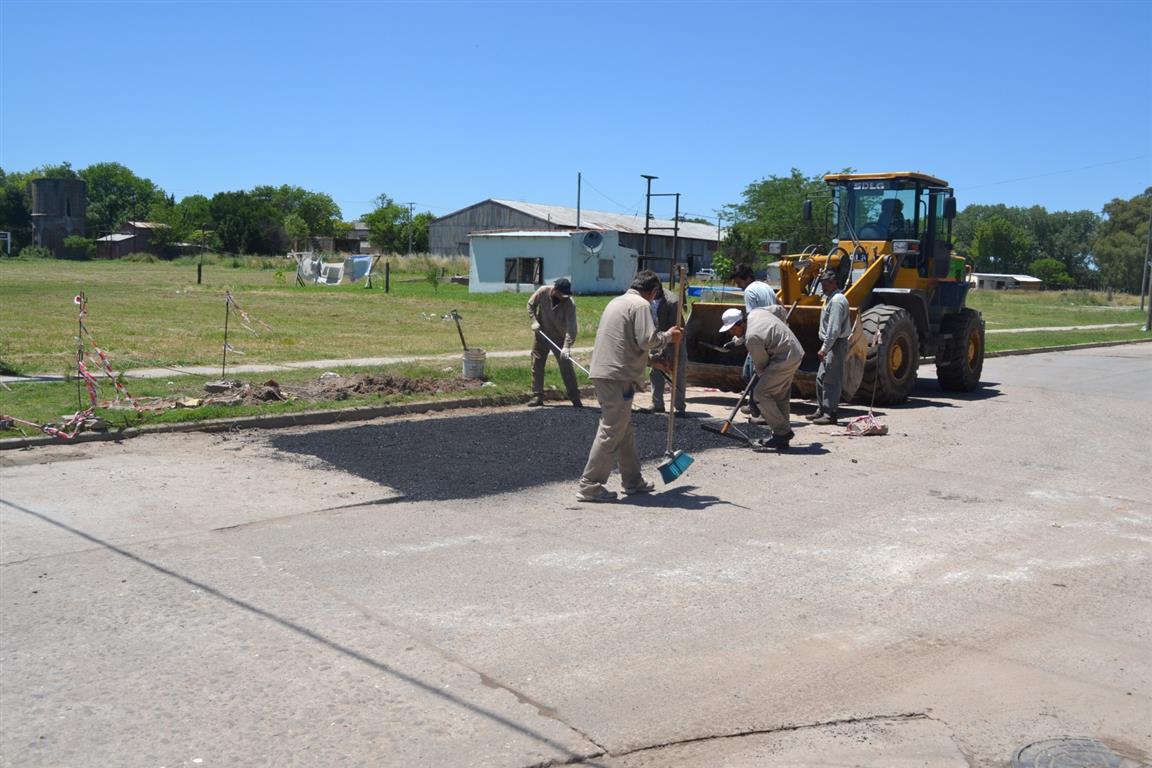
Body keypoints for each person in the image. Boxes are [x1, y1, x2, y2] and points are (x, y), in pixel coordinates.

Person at [577, 270, 683, 502]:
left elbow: (625, 343)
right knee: (611, 430)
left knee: (624, 430)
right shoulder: (641, 305)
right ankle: (590, 485)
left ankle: (633, 481)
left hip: (607, 372)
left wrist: (653, 362)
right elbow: (647, 340)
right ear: (653, 292)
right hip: (617, 377)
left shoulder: (617, 302)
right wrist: (669, 336)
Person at [719, 303, 803, 450]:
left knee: (760, 393)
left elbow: (761, 365)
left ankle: (782, 433)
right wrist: (737, 341)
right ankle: (782, 439)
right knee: (780, 395)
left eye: (733, 329)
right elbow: (779, 310)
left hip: (783, 358)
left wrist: (762, 378)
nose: (731, 332)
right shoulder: (756, 313)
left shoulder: (752, 338)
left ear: (741, 323)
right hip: (795, 351)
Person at [730, 263, 779, 420]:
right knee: (748, 373)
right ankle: (753, 405)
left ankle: (760, 411)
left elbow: (752, 318)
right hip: (771, 333)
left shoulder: (750, 291)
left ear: (747, 278)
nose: (739, 287)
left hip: (761, 336)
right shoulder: (766, 287)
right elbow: (780, 305)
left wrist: (742, 338)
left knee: (755, 374)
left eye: (739, 283)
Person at [527, 277, 581, 408]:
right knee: (537, 364)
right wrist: (534, 320)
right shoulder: (543, 292)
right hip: (542, 334)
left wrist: (567, 346)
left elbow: (572, 327)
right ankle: (537, 396)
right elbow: (530, 304)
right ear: (555, 290)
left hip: (559, 338)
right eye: (562, 294)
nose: (564, 297)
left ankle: (575, 398)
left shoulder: (569, 304)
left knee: (566, 367)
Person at [809, 269, 852, 426]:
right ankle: (822, 409)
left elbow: (834, 330)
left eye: (826, 285)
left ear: (834, 283)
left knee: (831, 380)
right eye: (822, 285)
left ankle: (830, 413)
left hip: (835, 345)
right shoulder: (830, 299)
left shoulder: (837, 301)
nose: (823, 288)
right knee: (821, 378)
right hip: (831, 345)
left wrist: (824, 349)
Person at [648, 283, 687, 415]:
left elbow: (678, 330)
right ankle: (657, 404)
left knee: (677, 372)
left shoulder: (672, 302)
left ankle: (679, 407)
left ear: (656, 289)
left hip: (674, 341)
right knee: (656, 371)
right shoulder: (645, 300)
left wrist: (671, 354)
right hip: (656, 339)